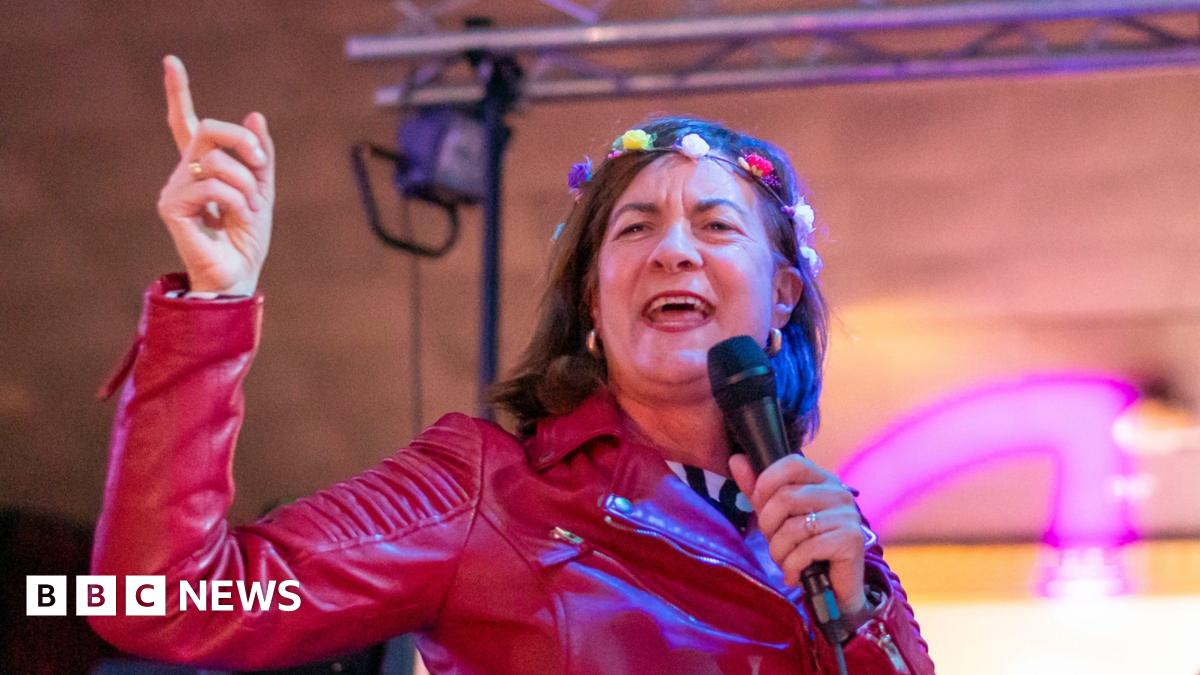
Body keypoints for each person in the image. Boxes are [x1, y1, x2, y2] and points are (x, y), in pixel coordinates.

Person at [89, 55, 935, 674]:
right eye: (636, 228)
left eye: (716, 226)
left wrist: (858, 616)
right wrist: (211, 304)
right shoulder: (486, 492)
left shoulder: (834, 545)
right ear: (593, 306)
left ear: (783, 294)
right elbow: (154, 599)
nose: (674, 249)